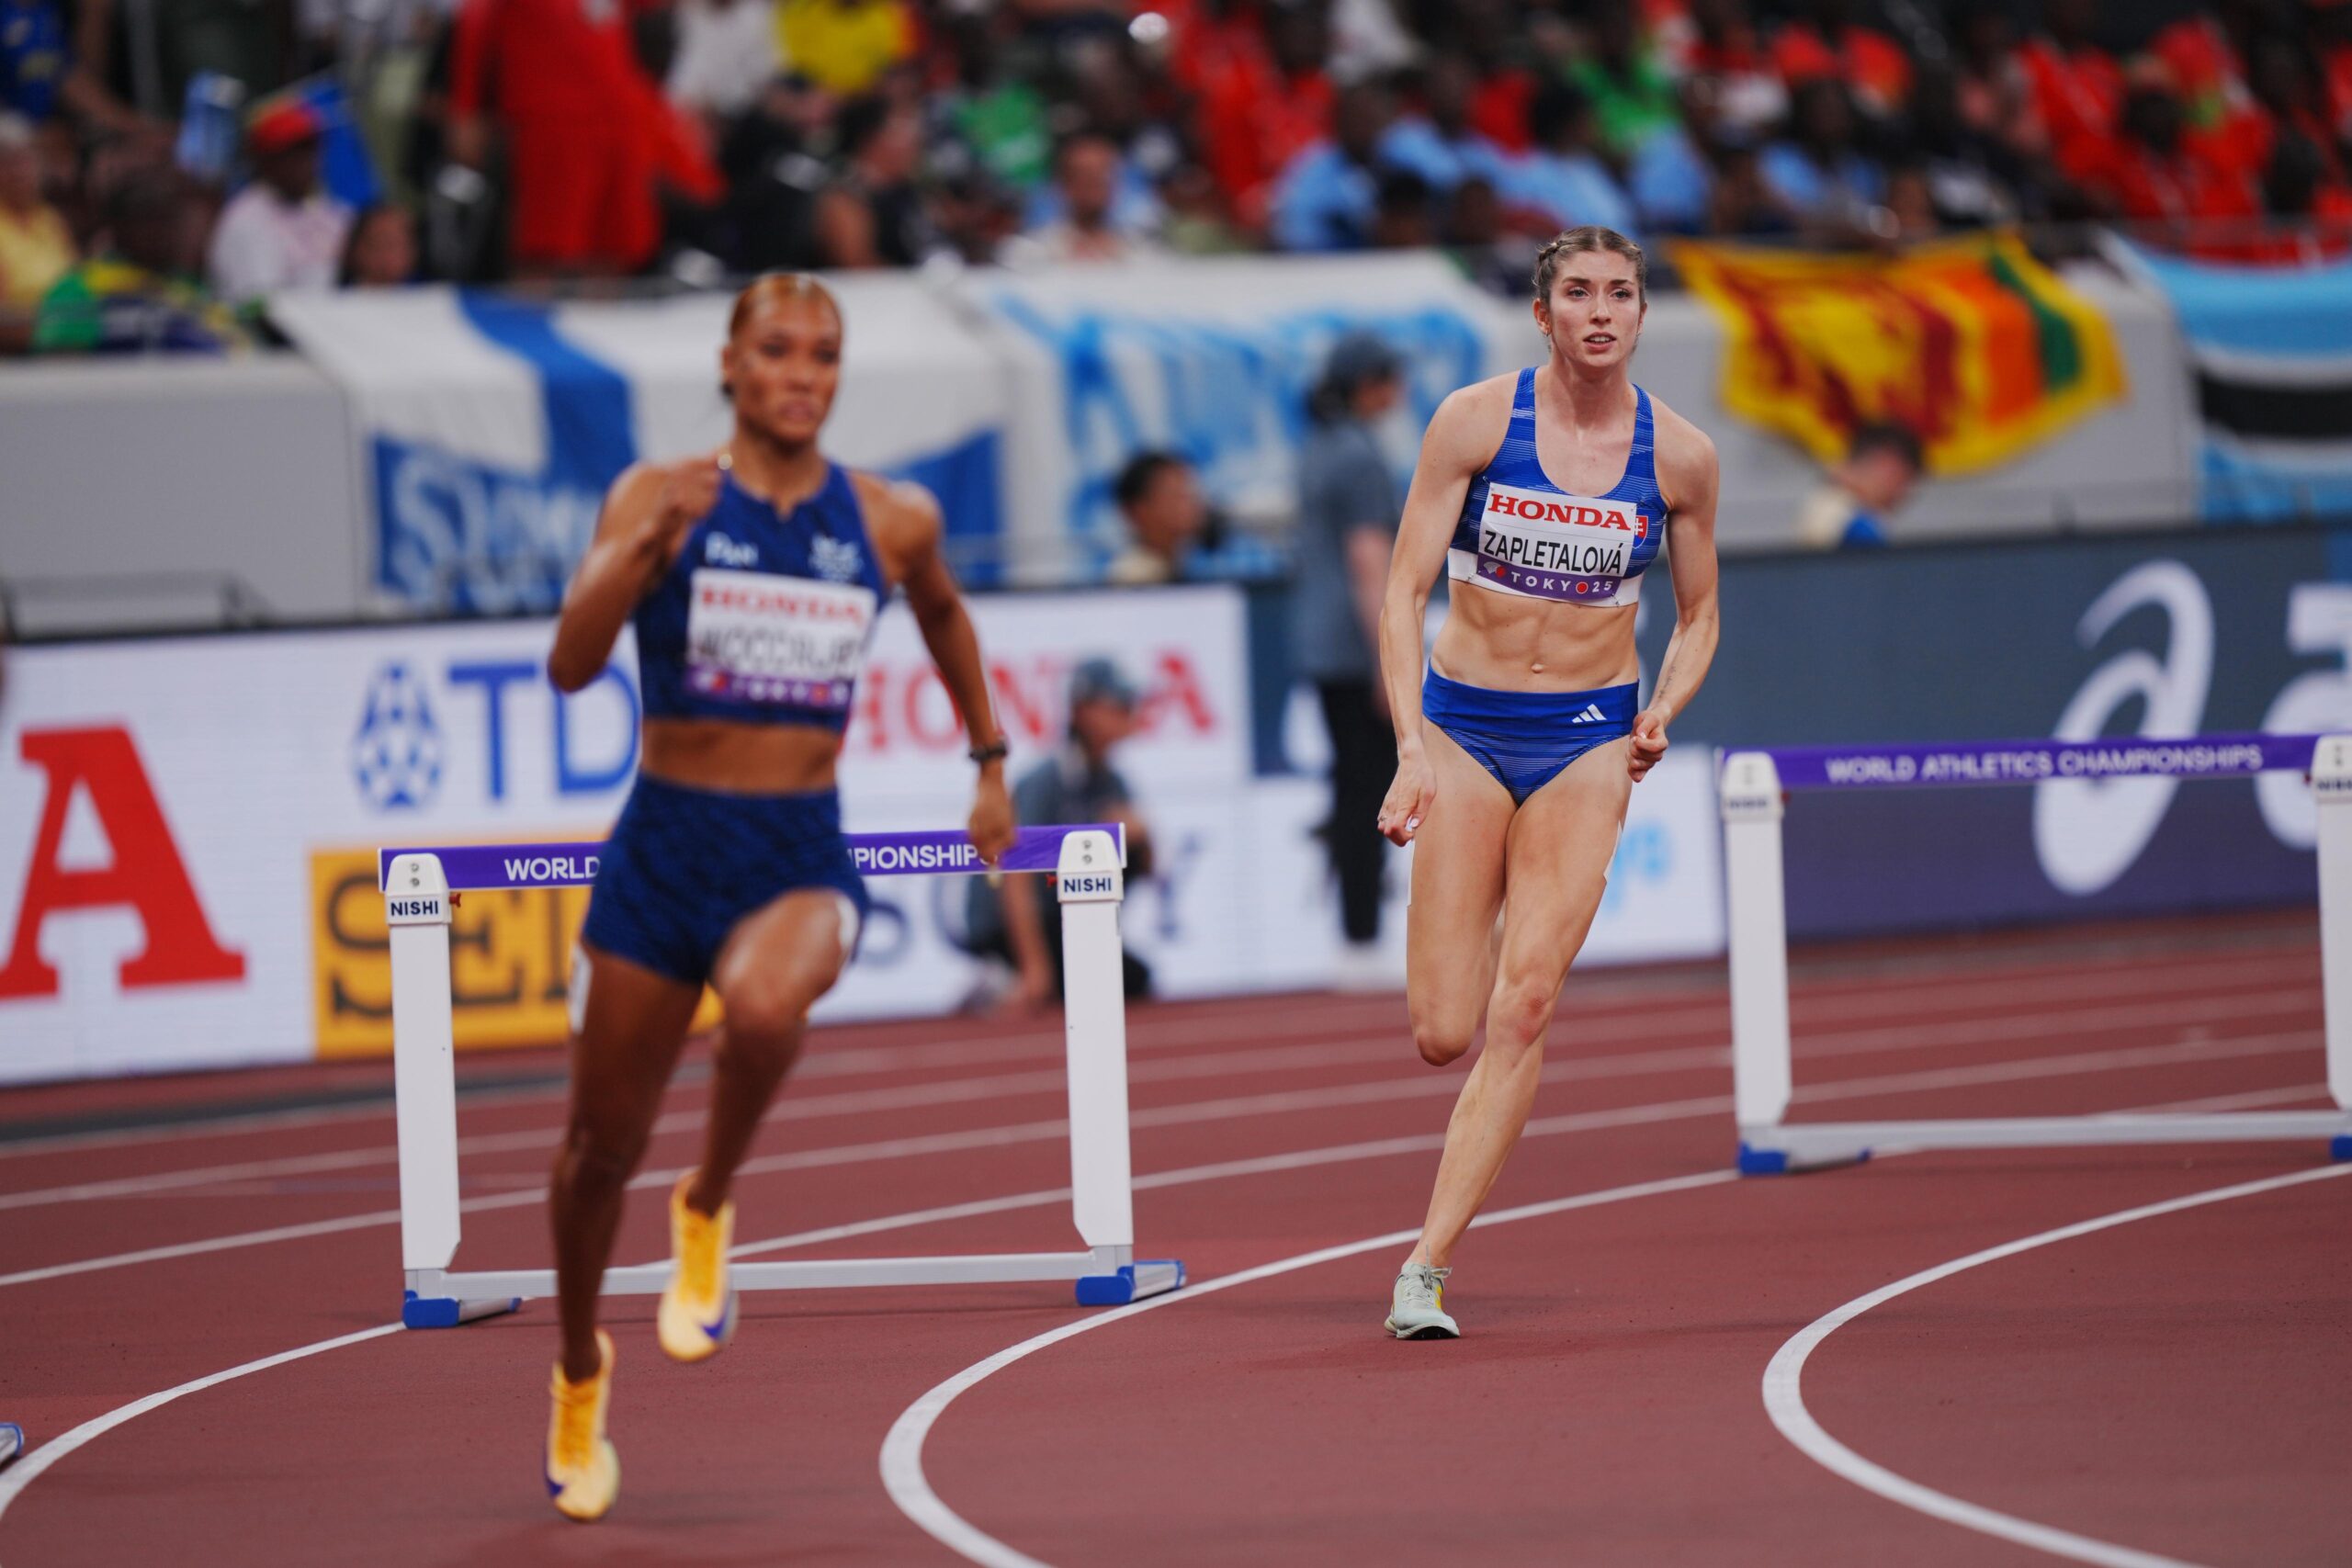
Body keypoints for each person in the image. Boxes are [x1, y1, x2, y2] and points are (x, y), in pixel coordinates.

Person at [537, 272, 1015, 1521]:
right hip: (663, 847)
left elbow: (945, 613)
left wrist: (989, 762)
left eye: (823, 354)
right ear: (731, 365)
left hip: (795, 849)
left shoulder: (889, 517)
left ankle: (706, 1202)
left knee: (761, 1009)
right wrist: (644, 545)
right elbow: (571, 663)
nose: (802, 374)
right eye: (778, 351)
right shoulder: (657, 493)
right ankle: (579, 1367)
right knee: (595, 1154)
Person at [1373, 226, 1719, 1338]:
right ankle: (1477, 907)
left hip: (1585, 738)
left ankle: (1425, 1266)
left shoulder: (1680, 457)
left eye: (1619, 293)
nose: (1599, 312)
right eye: (1578, 293)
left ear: (1642, 314)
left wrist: (1662, 708)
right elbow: (1401, 592)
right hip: (1465, 729)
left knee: (1522, 1006)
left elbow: (1701, 614)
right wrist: (1409, 745)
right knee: (1443, 1029)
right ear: (1542, 313)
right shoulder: (1475, 423)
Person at [1293, 330, 1407, 986]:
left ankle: (1355, 933)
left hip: (1322, 641)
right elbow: (1370, 562)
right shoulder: (1360, 456)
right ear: (1369, 384)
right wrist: (1388, 659)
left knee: (1351, 786)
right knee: (1370, 790)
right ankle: (1361, 937)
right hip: (1354, 644)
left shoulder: (1318, 447)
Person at [961, 658, 1156, 1010]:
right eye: (1118, 704)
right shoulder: (1046, 781)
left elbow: (1150, 869)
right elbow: (1014, 877)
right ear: (1083, 710)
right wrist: (1036, 968)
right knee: (1076, 989)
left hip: (1063, 923)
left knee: (1132, 981)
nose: (1129, 713)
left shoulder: (1113, 782)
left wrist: (1142, 838)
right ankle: (1001, 973)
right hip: (1009, 927)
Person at [207, 99, 353, 303]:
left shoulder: (327, 210)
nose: (306, 162)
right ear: (265, 160)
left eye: (310, 149)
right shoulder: (247, 221)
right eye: (293, 153)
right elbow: (261, 307)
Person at [1794, 419, 1920, 548]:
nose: (1903, 494)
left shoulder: (1830, 503)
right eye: (1902, 481)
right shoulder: (1855, 523)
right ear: (1886, 466)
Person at [1105, 451, 1207, 584]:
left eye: (1191, 495)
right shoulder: (1133, 578)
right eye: (1178, 496)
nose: (1192, 505)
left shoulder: (1177, 565)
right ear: (1140, 510)